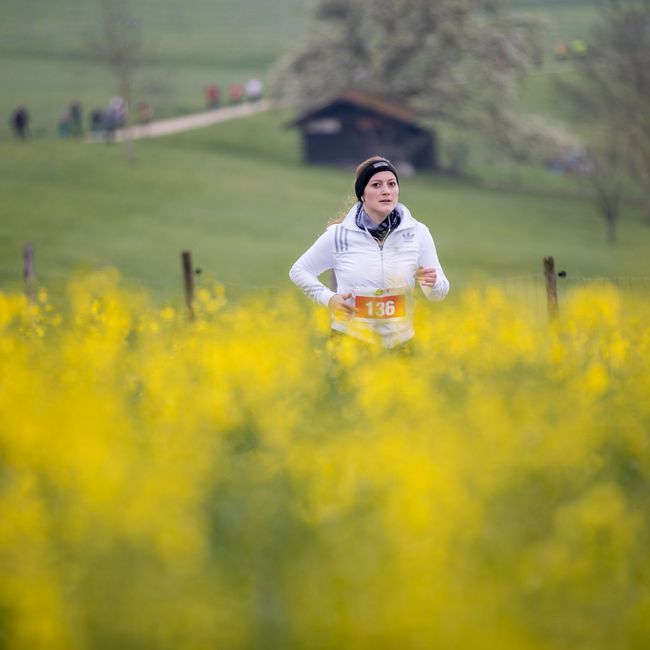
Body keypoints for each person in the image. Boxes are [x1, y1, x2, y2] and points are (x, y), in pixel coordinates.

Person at [289, 156, 449, 349]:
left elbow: (438, 294)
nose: (386, 191)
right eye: (376, 185)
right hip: (350, 340)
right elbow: (299, 271)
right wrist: (329, 298)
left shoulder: (417, 232)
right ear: (362, 194)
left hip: (400, 343)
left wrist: (433, 283)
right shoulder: (338, 235)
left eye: (392, 184)